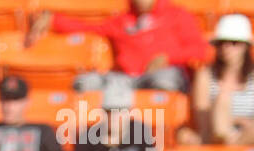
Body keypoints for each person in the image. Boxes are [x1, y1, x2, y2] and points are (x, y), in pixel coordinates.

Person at [33, 0, 211, 96]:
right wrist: (52, 19)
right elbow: (89, 28)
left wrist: (168, 58)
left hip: (162, 78)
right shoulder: (122, 21)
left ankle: (160, 132)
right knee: (84, 82)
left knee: (165, 79)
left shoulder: (178, 15)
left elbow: (202, 51)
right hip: (127, 81)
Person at [188, 13, 254, 145]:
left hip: (247, 139)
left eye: (234, 43)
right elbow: (203, 122)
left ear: (245, 46)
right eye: (221, 43)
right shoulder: (205, 75)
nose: (226, 48)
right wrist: (235, 121)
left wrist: (236, 124)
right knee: (222, 99)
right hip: (214, 139)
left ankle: (231, 147)